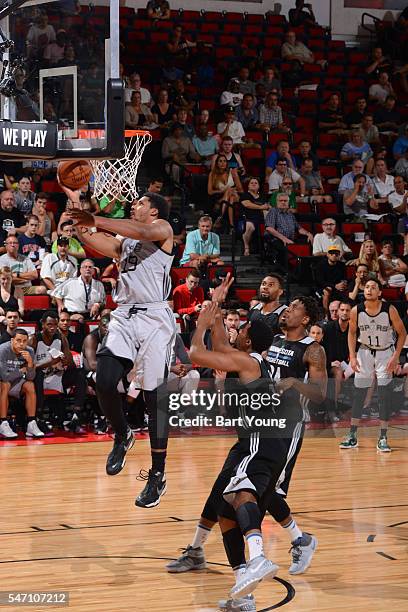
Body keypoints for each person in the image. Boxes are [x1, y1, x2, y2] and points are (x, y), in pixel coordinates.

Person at [170, 296, 325, 609]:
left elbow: (201, 352)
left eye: (241, 330)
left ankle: (265, 555)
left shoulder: (273, 356)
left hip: (272, 434)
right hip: (259, 435)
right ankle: (245, 590)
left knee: (247, 494)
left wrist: (201, 324)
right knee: (227, 509)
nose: (236, 331)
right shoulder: (260, 350)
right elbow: (223, 349)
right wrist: (215, 310)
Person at [68, 190, 177, 509]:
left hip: (155, 317)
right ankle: (122, 434)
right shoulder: (124, 242)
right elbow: (89, 237)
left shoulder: (162, 230)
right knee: (103, 380)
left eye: (142, 202)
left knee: (154, 396)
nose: (135, 203)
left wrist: (96, 218)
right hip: (125, 315)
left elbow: (141, 231)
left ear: (154, 211)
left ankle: (157, 474)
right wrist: (76, 204)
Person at [340, 278, 405, 452]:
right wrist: (352, 356)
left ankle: (383, 436)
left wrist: (396, 356)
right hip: (364, 352)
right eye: (367, 287)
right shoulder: (356, 310)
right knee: (359, 394)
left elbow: (402, 333)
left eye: (373, 287)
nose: (369, 290)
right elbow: (352, 334)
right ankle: (352, 434)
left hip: (385, 353)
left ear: (380, 292)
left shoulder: (389, 310)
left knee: (384, 395)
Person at [30, 311, 87, 434]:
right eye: (49, 324)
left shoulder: (61, 338)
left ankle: (76, 416)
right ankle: (39, 418)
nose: (52, 327)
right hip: (39, 377)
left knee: (80, 374)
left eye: (55, 324)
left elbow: (70, 362)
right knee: (38, 376)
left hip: (57, 375)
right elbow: (30, 368)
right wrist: (50, 363)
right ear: (42, 324)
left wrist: (65, 360)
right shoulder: (34, 339)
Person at [0, 328, 43, 439]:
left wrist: (29, 364)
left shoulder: (29, 351)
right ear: (12, 340)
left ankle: (31, 423)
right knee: (5, 384)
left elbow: (30, 377)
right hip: (2, 383)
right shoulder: (2, 350)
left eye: (24, 341)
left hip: (15, 382)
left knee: (30, 385)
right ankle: (3, 423)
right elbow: (4, 376)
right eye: (18, 340)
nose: (21, 344)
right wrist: (20, 371)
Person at [264, 193, 313, 271]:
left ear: (288, 202)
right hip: (275, 239)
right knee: (285, 249)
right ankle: (288, 272)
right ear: (277, 202)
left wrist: (308, 233)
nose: (283, 202)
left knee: (305, 244)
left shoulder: (290, 214)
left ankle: (302, 269)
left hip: (290, 240)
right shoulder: (273, 211)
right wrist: (284, 239)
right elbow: (269, 228)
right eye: (281, 201)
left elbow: (299, 228)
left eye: (285, 201)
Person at [82, 314, 110, 434]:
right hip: (88, 375)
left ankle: (132, 416)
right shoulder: (91, 338)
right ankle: (101, 417)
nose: (107, 329)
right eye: (104, 326)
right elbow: (92, 365)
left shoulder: (115, 338)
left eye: (109, 327)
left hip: (106, 372)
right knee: (102, 380)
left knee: (135, 379)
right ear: (99, 326)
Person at [322, 301, 352, 413]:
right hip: (330, 363)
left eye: (347, 310)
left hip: (348, 363)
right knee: (338, 371)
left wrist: (352, 364)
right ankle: (332, 408)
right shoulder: (328, 328)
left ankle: (365, 407)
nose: (344, 313)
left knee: (369, 372)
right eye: (342, 310)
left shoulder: (354, 329)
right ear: (338, 312)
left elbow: (358, 350)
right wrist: (330, 362)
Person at [239, 178, 270, 256]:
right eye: (251, 183)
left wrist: (268, 207)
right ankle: (246, 247)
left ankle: (267, 250)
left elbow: (267, 207)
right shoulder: (245, 195)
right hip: (247, 219)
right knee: (250, 226)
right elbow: (247, 204)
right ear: (248, 186)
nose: (253, 184)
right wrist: (261, 207)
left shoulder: (262, 197)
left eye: (256, 183)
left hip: (260, 219)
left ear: (258, 186)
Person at [316, 246, 348, 312]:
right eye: (331, 253)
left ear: (339, 255)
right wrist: (335, 286)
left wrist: (343, 284)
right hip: (324, 286)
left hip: (338, 286)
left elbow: (344, 277)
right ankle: (326, 314)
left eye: (336, 254)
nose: (334, 255)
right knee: (327, 291)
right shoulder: (321, 265)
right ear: (327, 255)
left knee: (347, 288)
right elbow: (320, 281)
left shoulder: (341, 265)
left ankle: (344, 312)